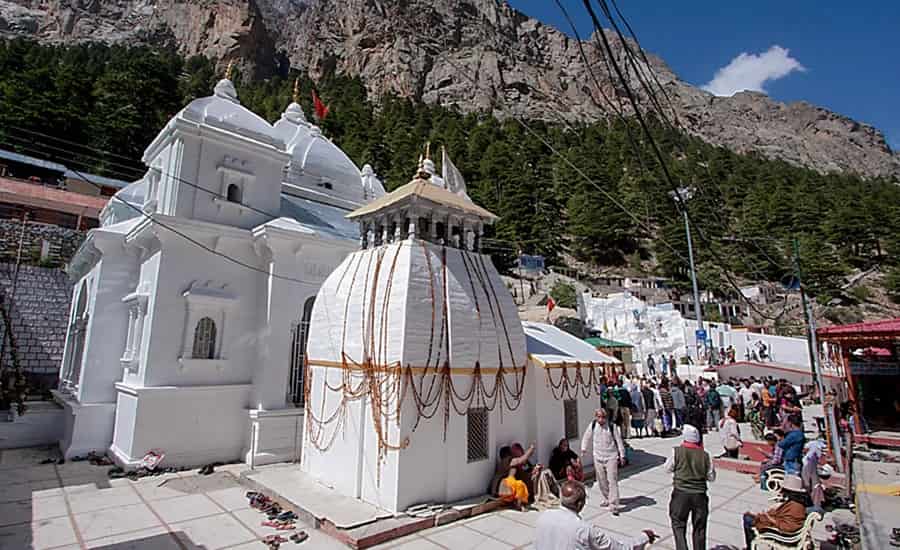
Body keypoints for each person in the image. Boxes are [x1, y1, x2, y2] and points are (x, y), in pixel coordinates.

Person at [534, 480, 656, 550]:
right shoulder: (584, 530)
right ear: (580, 504)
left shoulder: (544, 516)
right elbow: (619, 548)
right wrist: (644, 537)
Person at [665, 424, 715, 550]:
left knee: (678, 523)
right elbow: (711, 477)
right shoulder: (706, 455)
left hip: (681, 493)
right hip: (700, 495)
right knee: (699, 527)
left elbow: (667, 468)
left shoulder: (676, 451)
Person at [742, 475, 809, 550]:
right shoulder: (796, 502)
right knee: (749, 515)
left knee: (747, 518)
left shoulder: (795, 506)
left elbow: (788, 527)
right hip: (779, 524)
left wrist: (769, 518)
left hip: (783, 534)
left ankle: (750, 547)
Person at [580, 409, 625, 515]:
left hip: (611, 457)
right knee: (601, 480)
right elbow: (586, 436)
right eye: (598, 417)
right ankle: (607, 498)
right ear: (596, 417)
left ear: (606, 417)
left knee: (612, 480)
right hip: (598, 456)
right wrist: (583, 448)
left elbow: (619, 441)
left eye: (603, 417)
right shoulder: (593, 425)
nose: (600, 419)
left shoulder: (612, 426)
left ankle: (614, 505)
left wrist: (622, 455)